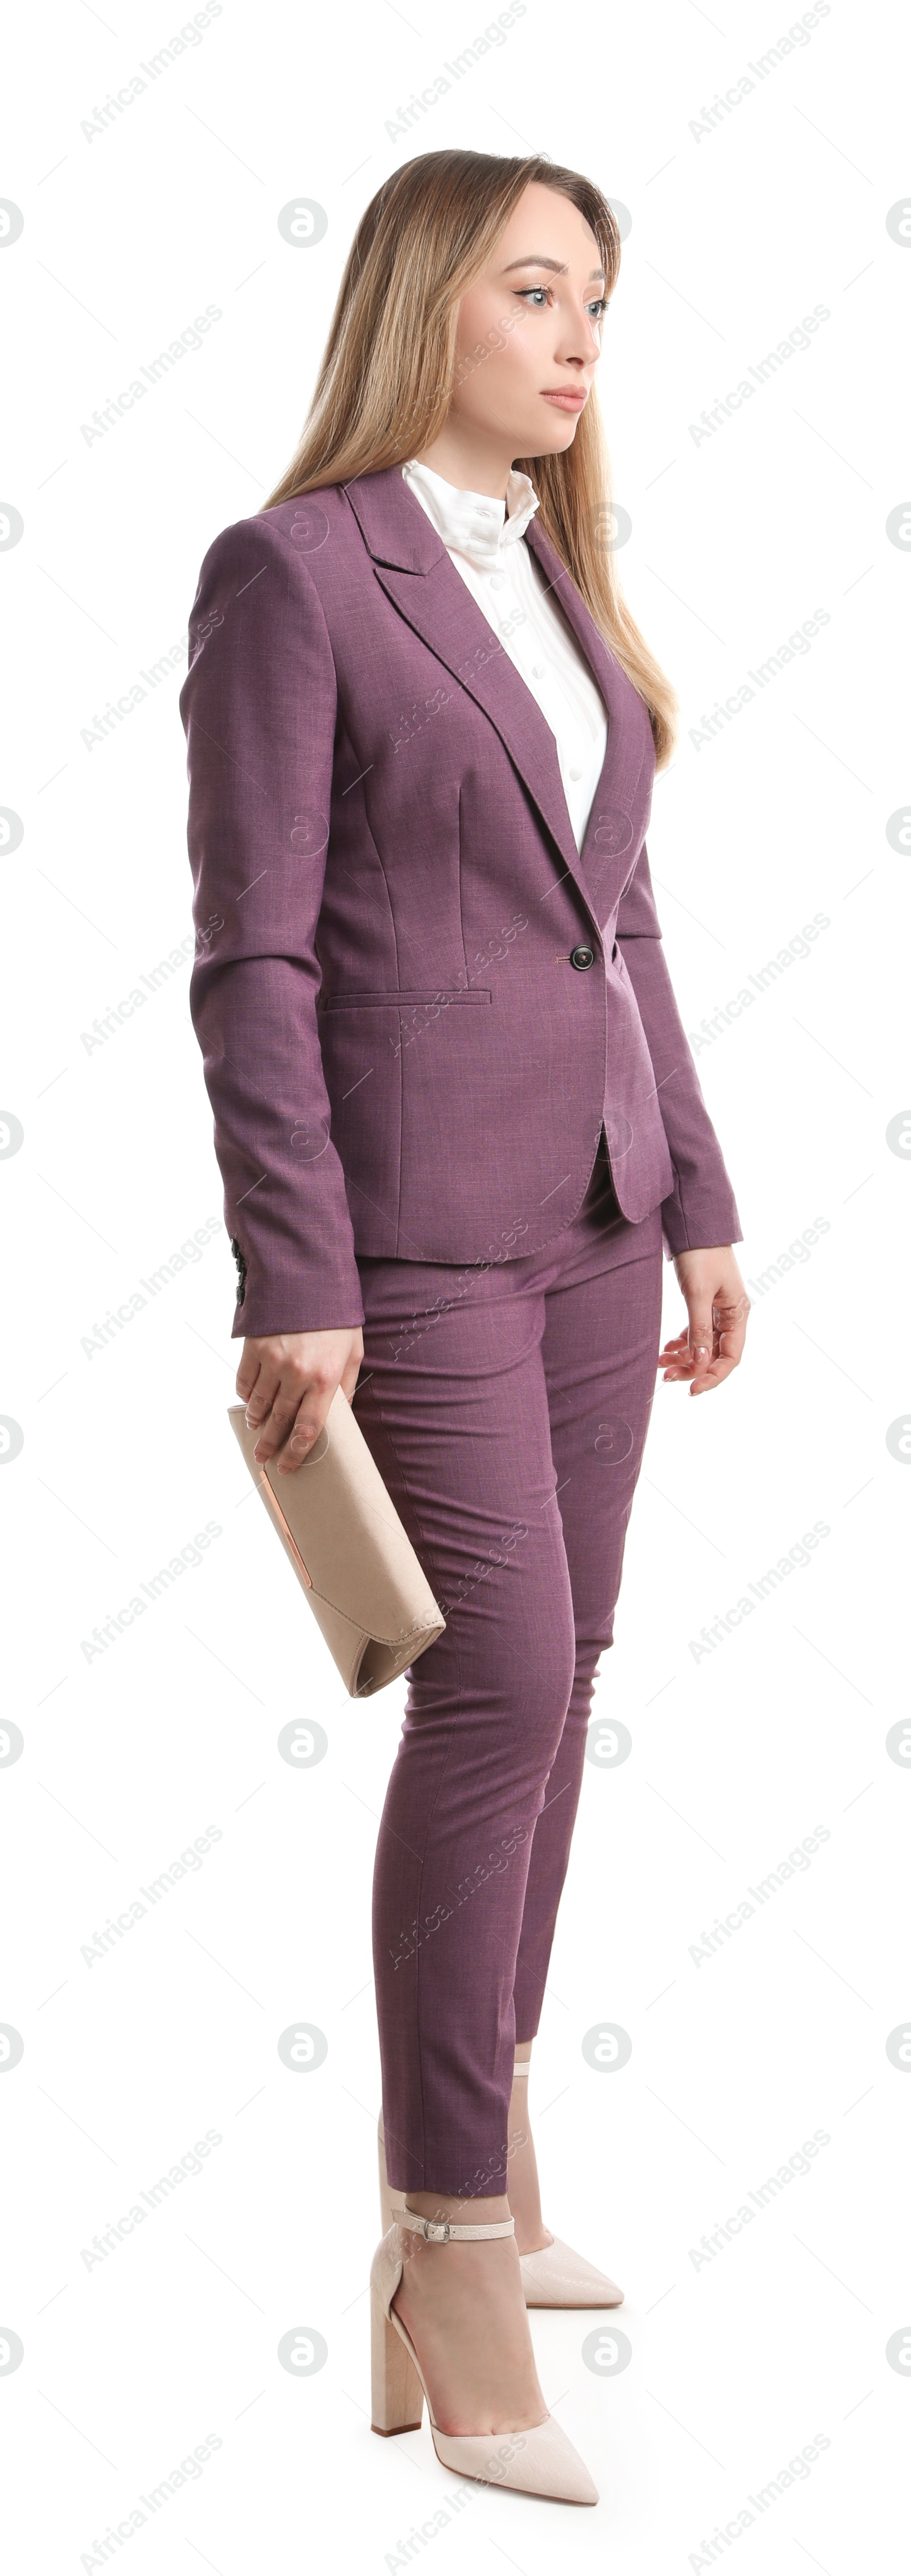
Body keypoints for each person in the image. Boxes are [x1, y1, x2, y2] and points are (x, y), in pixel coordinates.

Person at [180, 149, 749, 2505]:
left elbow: (621, 923)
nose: (580, 329)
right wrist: (290, 1269)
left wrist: (703, 1195)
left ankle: (492, 2161)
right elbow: (255, 956)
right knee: (491, 1687)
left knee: (571, 1678)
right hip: (408, 1239)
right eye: (536, 288)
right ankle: (435, 2241)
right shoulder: (296, 576)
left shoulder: (559, 584)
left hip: (602, 1220)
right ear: (429, 303)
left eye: (596, 293)